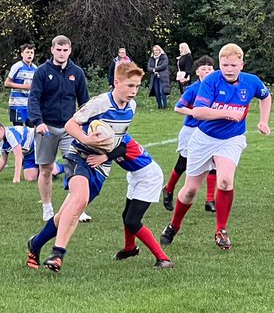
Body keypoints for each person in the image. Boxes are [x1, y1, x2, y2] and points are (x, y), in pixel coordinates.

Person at [27, 62, 143, 273]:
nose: (134, 91)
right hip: (78, 156)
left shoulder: (131, 108)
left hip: (101, 167)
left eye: (137, 86)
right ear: (116, 83)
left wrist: (105, 156)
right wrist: (86, 139)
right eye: (129, 86)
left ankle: (35, 244)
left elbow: (119, 140)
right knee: (79, 198)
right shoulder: (100, 103)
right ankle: (58, 253)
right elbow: (71, 124)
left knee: (66, 214)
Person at [160, 43, 271, 250]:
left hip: (232, 139)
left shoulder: (251, 82)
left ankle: (221, 230)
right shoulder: (211, 80)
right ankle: (174, 225)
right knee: (191, 191)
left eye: (233, 65)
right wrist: (227, 113)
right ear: (220, 64)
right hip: (204, 138)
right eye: (225, 64)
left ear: (241, 64)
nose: (229, 69)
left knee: (226, 181)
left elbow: (265, 96)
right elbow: (199, 112)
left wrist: (264, 121)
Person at [28, 35, 91, 221]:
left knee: (76, 166)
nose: (62, 53)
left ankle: (78, 208)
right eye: (59, 49)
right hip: (46, 127)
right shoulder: (42, 72)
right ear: (52, 50)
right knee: (46, 169)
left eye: (65, 50)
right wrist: (38, 122)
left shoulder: (77, 73)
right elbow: (33, 98)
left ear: (70, 51)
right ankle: (47, 207)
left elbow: (85, 102)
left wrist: (85, 124)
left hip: (69, 127)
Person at [162, 55, 217, 213]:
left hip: (209, 130)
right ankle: (169, 189)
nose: (207, 71)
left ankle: (209, 200)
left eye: (210, 69)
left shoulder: (216, 87)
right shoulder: (193, 89)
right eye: (203, 69)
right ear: (197, 72)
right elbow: (178, 107)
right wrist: (195, 113)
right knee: (184, 163)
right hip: (191, 130)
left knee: (214, 163)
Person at [112, 136, 173, 268]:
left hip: (148, 177)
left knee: (132, 221)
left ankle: (163, 259)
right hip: (136, 174)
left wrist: (103, 157)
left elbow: (121, 149)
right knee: (126, 215)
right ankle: (130, 249)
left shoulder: (116, 130)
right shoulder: (101, 128)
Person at [4, 44, 37, 125]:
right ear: (22, 54)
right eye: (27, 52)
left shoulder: (35, 68)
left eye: (31, 52)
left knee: (31, 130)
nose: (29, 54)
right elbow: (7, 83)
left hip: (29, 105)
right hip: (17, 104)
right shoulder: (18, 66)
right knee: (18, 129)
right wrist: (24, 87)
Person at [148, 44, 169, 109]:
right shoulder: (151, 58)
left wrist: (155, 69)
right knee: (156, 92)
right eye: (154, 50)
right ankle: (159, 105)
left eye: (157, 50)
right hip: (154, 77)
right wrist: (153, 70)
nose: (156, 52)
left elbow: (164, 66)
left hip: (162, 76)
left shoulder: (164, 57)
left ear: (159, 50)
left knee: (162, 91)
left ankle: (165, 106)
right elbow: (149, 67)